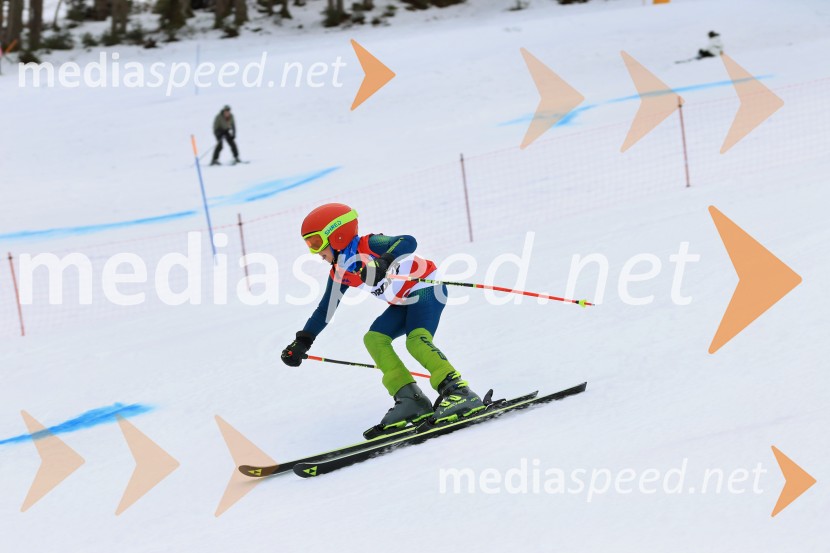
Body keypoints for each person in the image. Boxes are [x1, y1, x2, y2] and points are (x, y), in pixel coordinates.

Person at [280, 203, 486, 438]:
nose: (316, 252)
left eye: (316, 243)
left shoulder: (369, 245)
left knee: (416, 341)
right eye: (309, 245)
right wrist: (303, 341)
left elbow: (408, 241)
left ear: (337, 235)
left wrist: (383, 261)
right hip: (401, 303)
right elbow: (325, 309)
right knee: (374, 338)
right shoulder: (340, 271)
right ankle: (411, 400)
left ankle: (458, 392)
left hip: (426, 288)